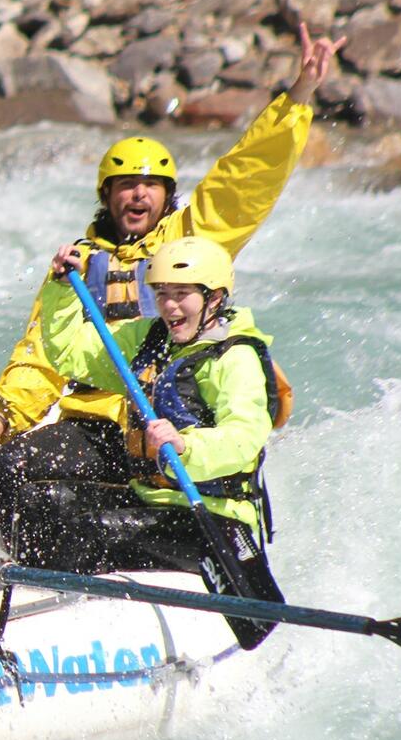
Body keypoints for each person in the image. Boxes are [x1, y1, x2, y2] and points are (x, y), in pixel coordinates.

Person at [0, 24, 343, 549]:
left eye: (151, 186)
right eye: (126, 185)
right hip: (98, 421)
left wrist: (299, 95)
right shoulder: (77, 264)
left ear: (168, 196)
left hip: (171, 420)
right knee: (14, 466)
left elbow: (245, 180)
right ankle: (34, 573)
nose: (138, 195)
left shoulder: (192, 239)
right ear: (107, 195)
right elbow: (44, 354)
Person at [25, 236, 287, 597]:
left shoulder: (234, 357)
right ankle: (23, 595)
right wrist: (61, 289)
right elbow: (71, 354)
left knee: (89, 531)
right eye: (162, 293)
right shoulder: (150, 339)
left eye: (182, 294)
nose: (170, 306)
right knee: (44, 501)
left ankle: (55, 607)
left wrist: (187, 446)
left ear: (214, 298)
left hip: (209, 516)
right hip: (149, 498)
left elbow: (244, 438)